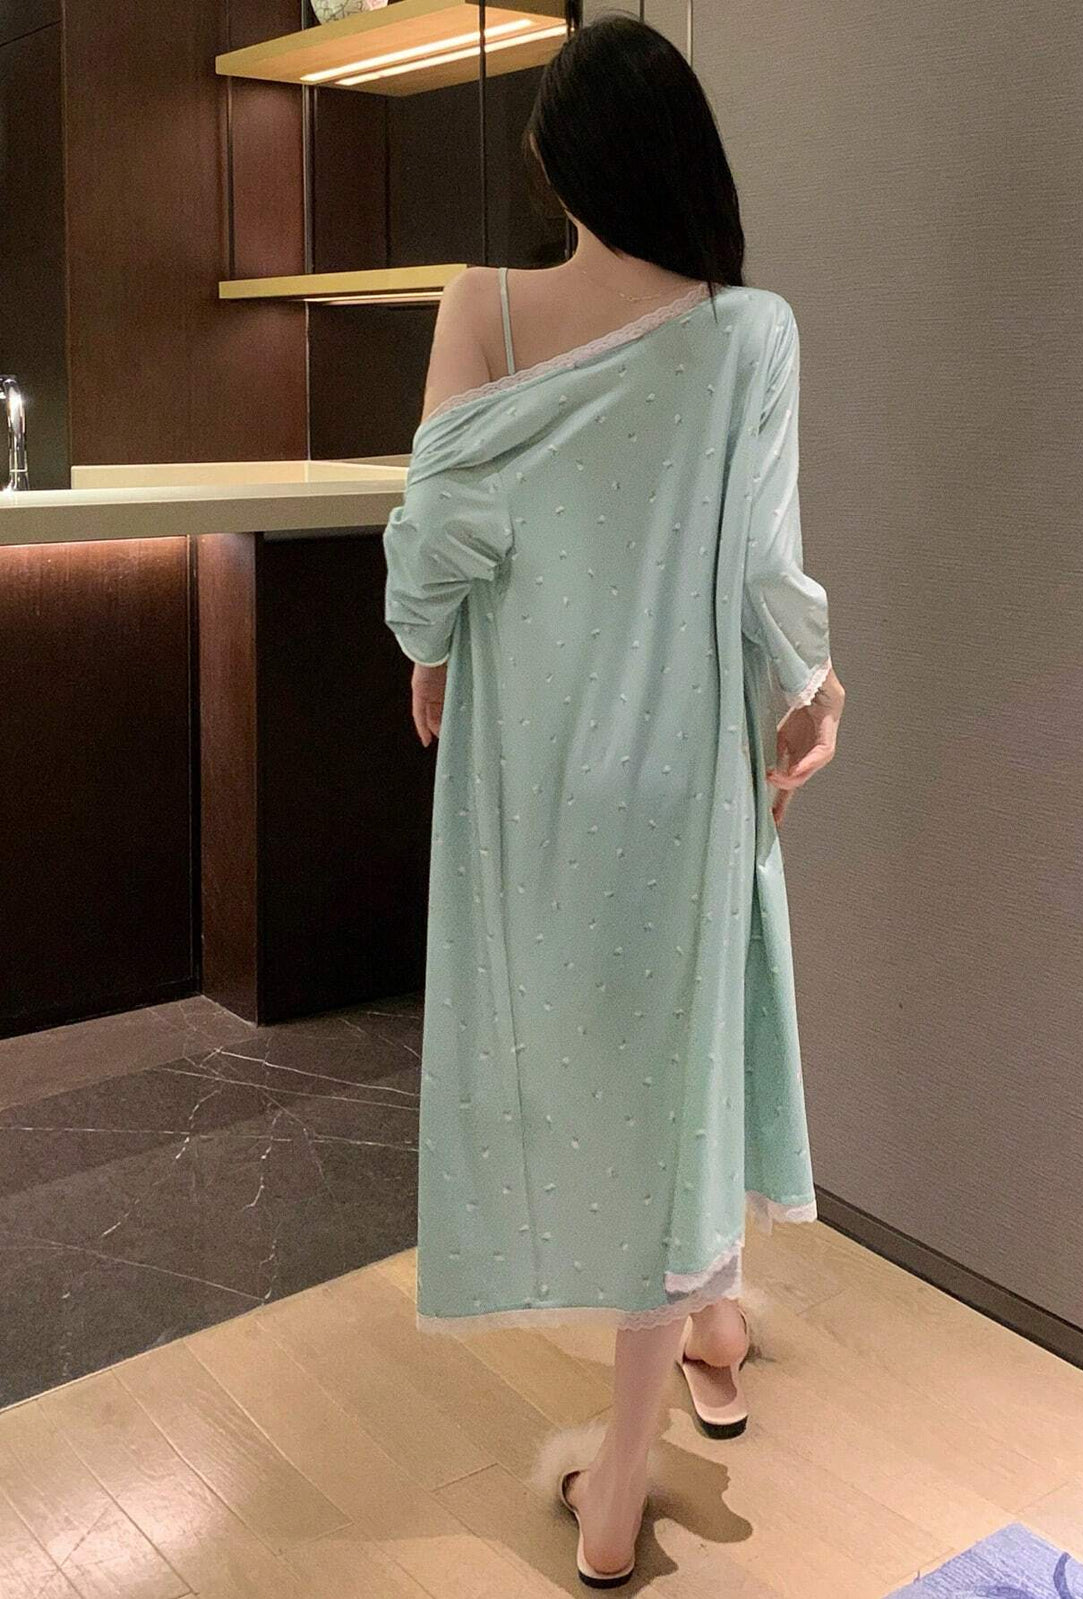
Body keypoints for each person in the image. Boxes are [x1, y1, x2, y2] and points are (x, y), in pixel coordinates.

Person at [383, 11, 845, 1586]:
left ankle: (673, 1386)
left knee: (586, 1076)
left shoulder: (484, 307)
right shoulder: (750, 333)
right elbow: (768, 568)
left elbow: (436, 539)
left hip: (529, 762)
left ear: (563, 169)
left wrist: (430, 660)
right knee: (672, 1087)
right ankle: (633, 1463)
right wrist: (815, 690)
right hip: (681, 769)